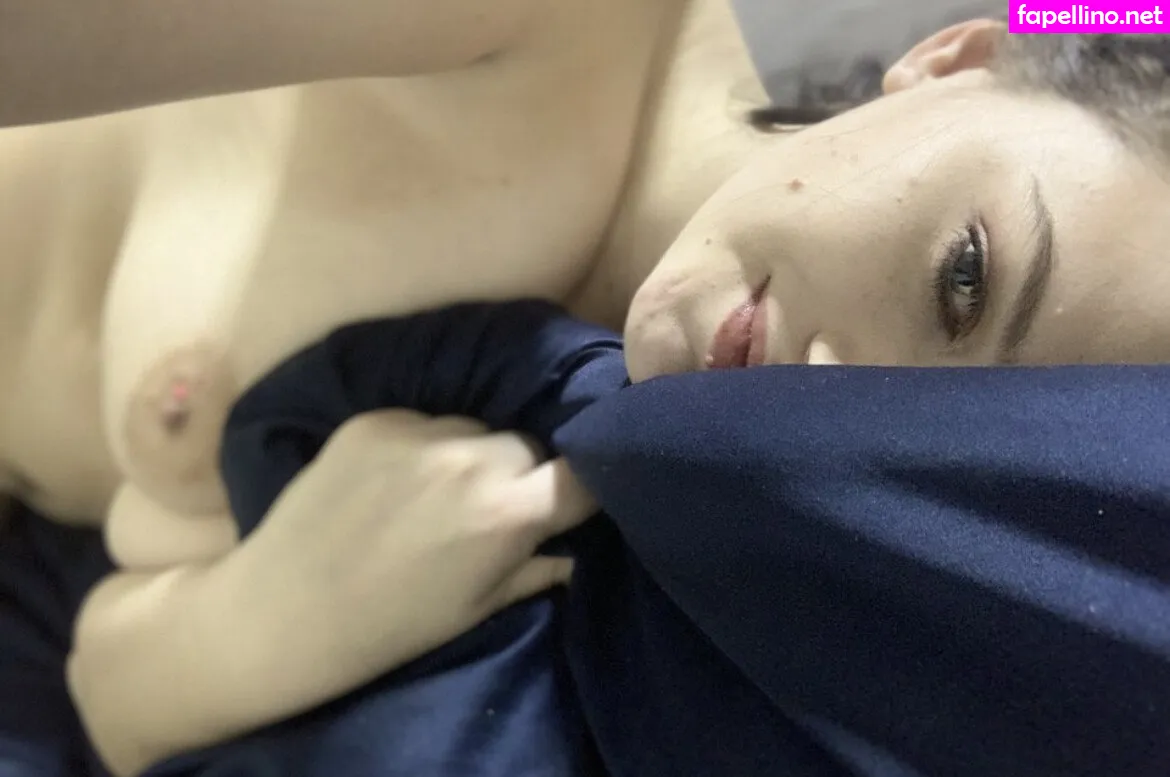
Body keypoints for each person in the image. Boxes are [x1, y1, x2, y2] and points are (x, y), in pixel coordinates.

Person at [86, 21, 1170, 777]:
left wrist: (264, 625)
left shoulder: (684, 533)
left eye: (949, 450)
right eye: (964, 278)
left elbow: (106, 685)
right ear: (955, 60)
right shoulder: (531, 38)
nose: (830, 397)